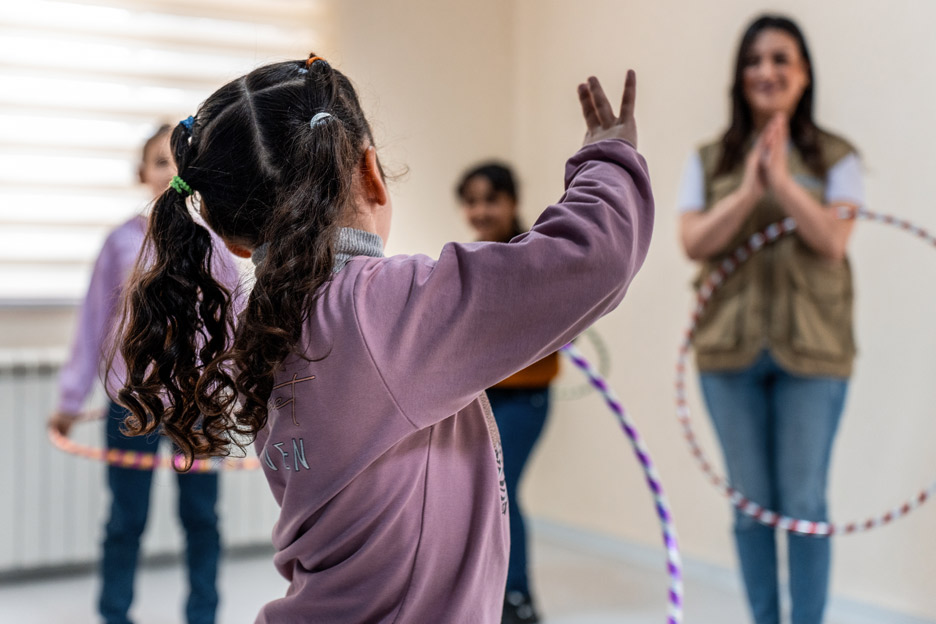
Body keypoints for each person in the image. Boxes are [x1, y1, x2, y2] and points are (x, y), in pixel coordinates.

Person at [113, 54, 653, 623]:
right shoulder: (384, 309)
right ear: (371, 173)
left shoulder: (263, 327)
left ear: (235, 239)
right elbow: (593, 257)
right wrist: (608, 154)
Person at [676, 14, 864, 624]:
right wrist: (748, 189)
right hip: (726, 354)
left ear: (804, 73)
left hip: (814, 354)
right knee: (750, 507)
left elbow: (833, 240)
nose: (767, 71)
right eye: (754, 60)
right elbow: (694, 241)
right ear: (739, 75)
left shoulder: (838, 158)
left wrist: (782, 180)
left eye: (782, 59)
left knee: (805, 504)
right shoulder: (708, 159)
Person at [50, 125, 240, 624]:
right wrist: (70, 399)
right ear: (142, 174)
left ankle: (203, 615)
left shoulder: (213, 243)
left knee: (201, 518)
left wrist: (238, 389)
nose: (170, 171)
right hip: (130, 403)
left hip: (196, 405)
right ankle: (115, 614)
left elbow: (234, 322)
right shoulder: (118, 243)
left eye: (179, 161)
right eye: (159, 161)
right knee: (124, 520)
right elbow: (93, 322)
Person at [456, 162, 558, 624]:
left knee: (500, 490)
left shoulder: (533, 253)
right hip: (482, 398)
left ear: (512, 202)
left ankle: (516, 598)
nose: (480, 210)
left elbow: (561, 318)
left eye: (490, 199)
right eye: (472, 200)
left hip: (525, 397)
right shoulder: (470, 258)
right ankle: (488, 595)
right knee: (482, 492)